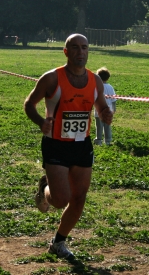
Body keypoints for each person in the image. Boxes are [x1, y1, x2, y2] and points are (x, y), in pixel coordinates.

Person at [24, 33, 113, 259]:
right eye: (75, 48)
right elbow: (29, 104)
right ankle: (45, 190)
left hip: (81, 144)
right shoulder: (51, 78)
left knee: (79, 198)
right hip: (56, 144)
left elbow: (101, 106)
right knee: (61, 199)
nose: (80, 52)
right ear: (66, 51)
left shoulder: (95, 81)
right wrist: (41, 122)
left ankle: (58, 242)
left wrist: (105, 113)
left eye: (84, 48)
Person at [94, 67, 117, 146]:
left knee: (99, 126)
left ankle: (99, 139)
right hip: (109, 109)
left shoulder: (97, 86)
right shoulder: (110, 87)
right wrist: (114, 109)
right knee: (107, 125)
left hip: (98, 110)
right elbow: (113, 99)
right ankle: (108, 140)